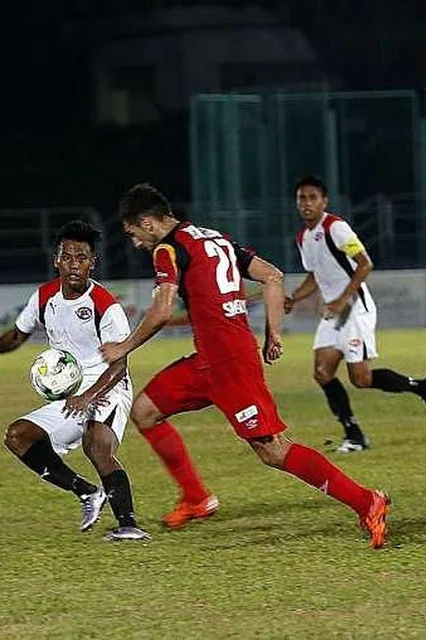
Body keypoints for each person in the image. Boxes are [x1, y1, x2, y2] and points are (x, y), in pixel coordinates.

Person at [102, 183, 390, 548]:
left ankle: (368, 501)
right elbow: (272, 275)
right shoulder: (212, 238)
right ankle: (196, 498)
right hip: (209, 360)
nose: (134, 243)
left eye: (133, 234)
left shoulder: (167, 249)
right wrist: (273, 335)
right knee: (144, 411)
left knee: (273, 450)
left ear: (148, 223)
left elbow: (161, 311)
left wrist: (122, 348)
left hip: (230, 365)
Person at [0, 220, 149, 541]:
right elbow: (17, 334)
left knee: (96, 445)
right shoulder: (44, 297)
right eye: (67, 257)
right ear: (57, 260)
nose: (74, 265)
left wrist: (89, 396)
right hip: (70, 392)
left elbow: (119, 366)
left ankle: (129, 525)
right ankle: (86, 492)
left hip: (108, 386)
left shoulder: (105, 306)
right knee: (18, 435)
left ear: (93, 263)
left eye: (81, 258)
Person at [286, 175, 426, 453]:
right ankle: (354, 434)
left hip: (353, 307)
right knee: (322, 373)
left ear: (324, 201)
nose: (306, 203)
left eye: (312, 197)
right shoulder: (303, 237)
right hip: (336, 311)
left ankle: (423, 387)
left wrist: (342, 299)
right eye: (302, 198)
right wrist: (294, 298)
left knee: (361, 379)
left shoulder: (337, 228)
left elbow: (365, 264)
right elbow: (315, 275)